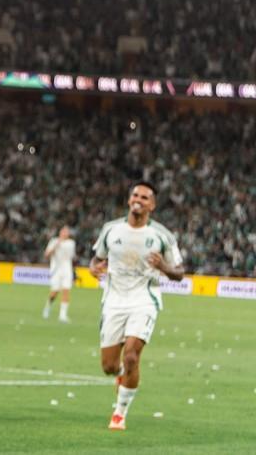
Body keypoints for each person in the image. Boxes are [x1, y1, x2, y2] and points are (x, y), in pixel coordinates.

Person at [89, 181, 184, 431]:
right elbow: (97, 258)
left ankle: (119, 413)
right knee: (109, 367)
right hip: (114, 300)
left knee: (131, 355)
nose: (138, 199)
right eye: (135, 195)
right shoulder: (111, 230)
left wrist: (163, 267)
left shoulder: (162, 236)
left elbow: (180, 273)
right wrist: (93, 268)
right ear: (129, 199)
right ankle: (123, 374)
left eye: (144, 197)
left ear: (152, 205)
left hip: (144, 299)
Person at [42, 225, 75, 322]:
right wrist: (56, 244)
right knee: (55, 291)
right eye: (63, 231)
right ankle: (48, 306)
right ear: (60, 232)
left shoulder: (71, 243)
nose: (65, 233)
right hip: (56, 270)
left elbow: (70, 256)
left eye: (67, 232)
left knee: (66, 290)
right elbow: (47, 255)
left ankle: (63, 315)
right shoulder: (53, 241)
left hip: (67, 269)